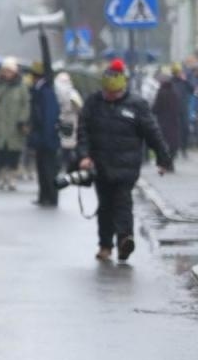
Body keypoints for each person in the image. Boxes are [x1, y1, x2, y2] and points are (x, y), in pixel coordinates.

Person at [77, 59, 172, 262]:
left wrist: (163, 159)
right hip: (100, 165)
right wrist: (84, 155)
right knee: (105, 206)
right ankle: (105, 245)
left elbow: (152, 133)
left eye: (115, 93)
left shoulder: (137, 105)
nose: (110, 96)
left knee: (122, 203)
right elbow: (83, 130)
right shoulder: (93, 103)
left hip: (126, 166)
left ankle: (124, 240)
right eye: (107, 93)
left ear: (123, 87)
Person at [0, 58, 29, 192]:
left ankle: (12, 177)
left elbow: (26, 104)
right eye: (5, 70)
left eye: (9, 70)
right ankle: (2, 176)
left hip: (15, 126)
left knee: (14, 153)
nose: (7, 73)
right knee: (0, 152)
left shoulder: (21, 86)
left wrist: (23, 120)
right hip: (0, 124)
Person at [29, 60, 62, 207]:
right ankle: (44, 196)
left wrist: (46, 138)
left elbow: (48, 116)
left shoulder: (45, 90)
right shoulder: (41, 89)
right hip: (42, 136)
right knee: (42, 167)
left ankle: (51, 196)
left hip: (46, 137)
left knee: (48, 168)